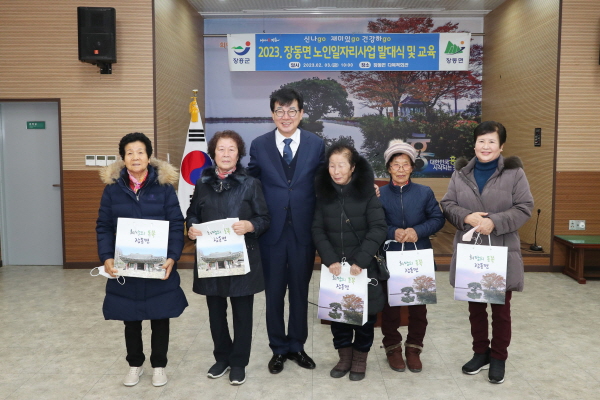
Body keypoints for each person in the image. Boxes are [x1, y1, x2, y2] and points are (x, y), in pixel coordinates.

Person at [440, 121, 533, 384]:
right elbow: (447, 204)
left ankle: (499, 357)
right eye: (481, 141)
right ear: (474, 144)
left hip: (501, 250)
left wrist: (496, 221)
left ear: (501, 146)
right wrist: (466, 216)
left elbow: (525, 206)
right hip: (472, 251)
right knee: (475, 307)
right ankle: (480, 352)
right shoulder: (460, 174)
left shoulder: (515, 173)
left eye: (492, 141)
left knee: (501, 309)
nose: (486, 146)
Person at [96, 132, 188, 388]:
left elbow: (175, 225)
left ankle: (159, 366)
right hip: (126, 266)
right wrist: (106, 257)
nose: (135, 157)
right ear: (123, 158)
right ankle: (134, 364)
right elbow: (103, 226)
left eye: (140, 152)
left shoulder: (165, 188)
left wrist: (172, 257)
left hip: (158, 265)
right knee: (130, 317)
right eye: (129, 153)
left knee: (160, 316)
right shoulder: (112, 190)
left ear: (149, 156)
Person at [248, 87, 325, 374]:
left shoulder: (317, 144)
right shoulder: (259, 144)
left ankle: (297, 346)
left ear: (301, 113)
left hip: (304, 231)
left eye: (292, 110)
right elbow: (251, 184)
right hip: (271, 233)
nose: (286, 116)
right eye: (279, 111)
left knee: (300, 293)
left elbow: (326, 184)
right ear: (272, 114)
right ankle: (278, 349)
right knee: (274, 295)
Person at [186, 130, 270, 386]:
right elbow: (192, 214)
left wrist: (250, 225)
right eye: (221, 149)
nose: (225, 154)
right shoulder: (202, 183)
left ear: (239, 154)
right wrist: (191, 227)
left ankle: (238, 362)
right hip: (211, 259)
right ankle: (221, 357)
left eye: (231, 149)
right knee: (215, 312)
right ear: (213, 153)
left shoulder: (250, 183)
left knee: (242, 314)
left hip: (242, 259)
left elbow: (264, 219)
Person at [312, 142, 387, 381]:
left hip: (363, 268)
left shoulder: (367, 192)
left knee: (364, 318)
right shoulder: (323, 194)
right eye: (332, 165)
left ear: (352, 167)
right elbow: (317, 229)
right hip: (335, 269)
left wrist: (361, 261)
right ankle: (344, 357)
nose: (335, 170)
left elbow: (378, 228)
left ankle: (359, 359)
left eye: (341, 165)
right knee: (339, 315)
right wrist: (330, 259)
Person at [378, 139, 445, 373]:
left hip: (419, 258)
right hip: (389, 258)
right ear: (388, 168)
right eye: (395, 164)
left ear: (412, 167)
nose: (400, 169)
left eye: (405, 164)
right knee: (390, 307)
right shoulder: (380, 194)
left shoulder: (424, 192)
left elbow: (437, 219)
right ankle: (393, 348)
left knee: (418, 308)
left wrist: (418, 231)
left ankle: (414, 348)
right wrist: (391, 231)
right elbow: (373, 223)